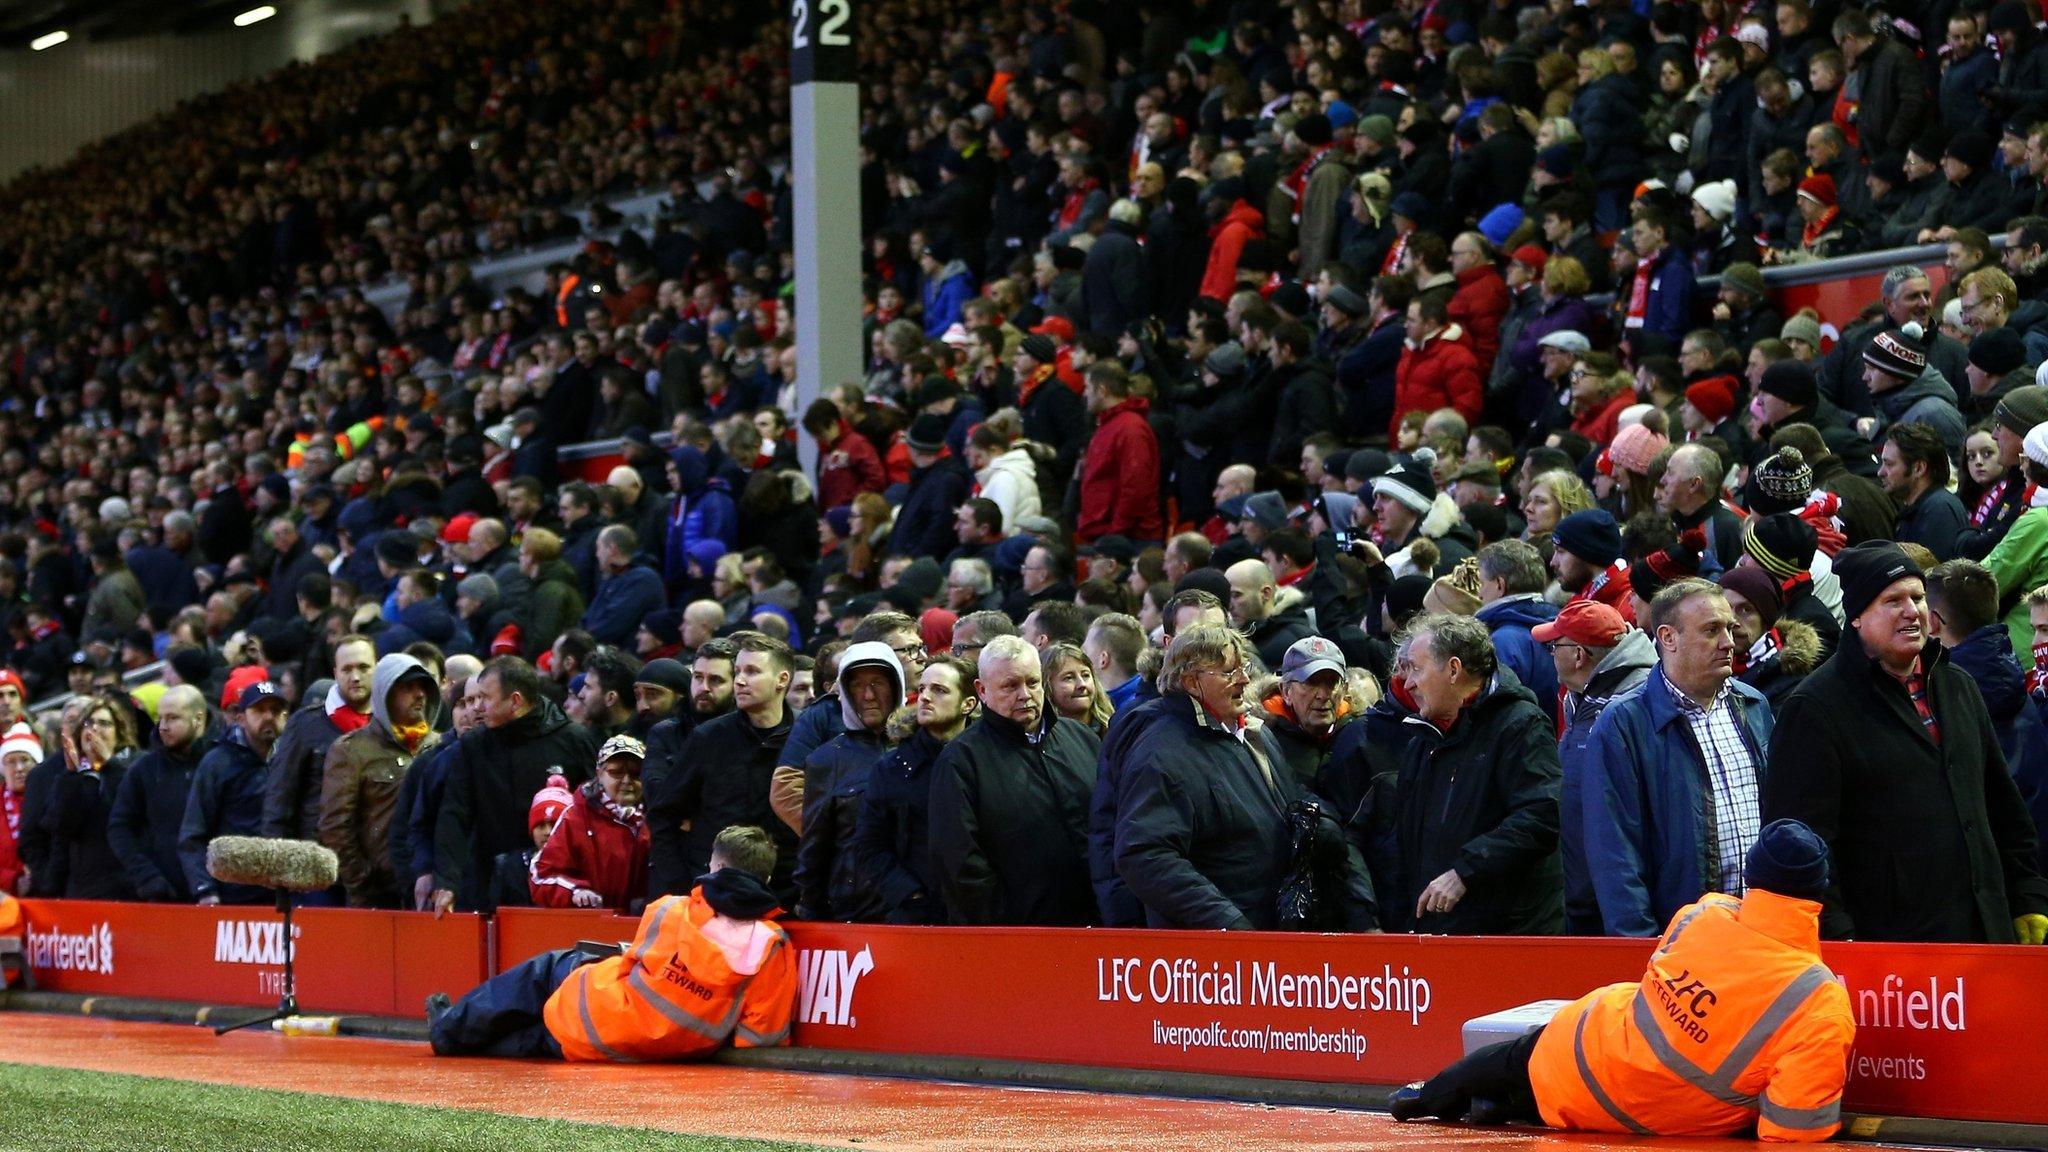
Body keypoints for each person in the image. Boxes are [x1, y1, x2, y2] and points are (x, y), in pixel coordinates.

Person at [1390, 819, 1855, 1144]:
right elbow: (1792, 1133)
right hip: (1651, 1117)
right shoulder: (1820, 1004)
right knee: (1538, 1075)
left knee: (1522, 1056)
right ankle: (1497, 1102)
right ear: (1819, 894)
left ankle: (1424, 1095)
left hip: (1582, 1051)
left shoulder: (1702, 914)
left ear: (1751, 878)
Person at [1764, 542, 2048, 942]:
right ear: (1858, 617)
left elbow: (2003, 806)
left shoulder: (1958, 686)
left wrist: (2028, 895)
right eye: (1892, 601)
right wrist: (1837, 937)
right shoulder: (1815, 708)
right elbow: (1804, 842)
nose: (1911, 610)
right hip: (1892, 958)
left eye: (1916, 597)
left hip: (1986, 937)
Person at [427, 825, 795, 1062]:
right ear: (764, 877)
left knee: (549, 969)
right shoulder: (771, 943)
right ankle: (462, 1035)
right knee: (541, 1037)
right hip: (661, 1051)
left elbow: (635, 964)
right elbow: (760, 1035)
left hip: (600, 1014)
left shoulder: (671, 909)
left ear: (715, 866)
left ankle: (447, 1030)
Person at [1116, 625, 1375, 931]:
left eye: (1243, 667)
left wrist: (1327, 824)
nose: (1244, 679)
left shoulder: (1253, 733)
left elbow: (1292, 796)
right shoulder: (1160, 753)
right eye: (1228, 672)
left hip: (1264, 939)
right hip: (1215, 958)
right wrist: (1230, 925)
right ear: (1191, 682)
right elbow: (1144, 855)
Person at [1584, 579, 1775, 937]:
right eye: (1712, 630)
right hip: (1679, 944)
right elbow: (1615, 854)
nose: (1729, 642)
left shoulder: (1754, 705)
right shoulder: (1623, 723)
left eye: (1730, 629)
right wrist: (1640, 945)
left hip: (1759, 933)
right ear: (1668, 638)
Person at [1385, 613, 1562, 934]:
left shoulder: (1520, 724)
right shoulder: (1423, 739)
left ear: (1453, 669)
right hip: (1439, 930)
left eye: (1416, 668)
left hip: (1507, 934)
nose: (1407, 683)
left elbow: (1541, 815)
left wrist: (1465, 872)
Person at [930, 634, 1099, 925]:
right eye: (1010, 686)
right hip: (1017, 932)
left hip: (1098, 921)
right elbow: (960, 862)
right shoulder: (960, 760)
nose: (1025, 694)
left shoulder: (1082, 739)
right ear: (982, 691)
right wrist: (1003, 924)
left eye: (1032, 683)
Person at [432, 657, 597, 913]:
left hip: (558, 888)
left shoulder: (573, 741)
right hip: (488, 884)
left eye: (486, 698)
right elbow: (454, 814)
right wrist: (447, 881)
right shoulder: (472, 746)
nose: (478, 707)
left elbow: (594, 815)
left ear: (516, 701)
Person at [646, 633, 799, 903]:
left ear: (782, 680)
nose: (740, 681)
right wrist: (681, 885)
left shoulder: (805, 737)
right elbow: (663, 816)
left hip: (786, 895)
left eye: (751, 672)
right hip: (711, 894)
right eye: (738, 671)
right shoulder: (708, 737)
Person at [1539, 601, 1655, 935]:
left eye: (1554, 646)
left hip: (1616, 909)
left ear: (1578, 655)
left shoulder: (1634, 706)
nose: (1549, 653)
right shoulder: (1579, 698)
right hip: (1580, 895)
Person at [850, 655, 977, 925]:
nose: (925, 697)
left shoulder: (988, 760)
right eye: (922, 688)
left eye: (939, 690)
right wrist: (909, 894)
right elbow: (868, 844)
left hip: (982, 912)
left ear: (968, 704)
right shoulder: (891, 768)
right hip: (916, 915)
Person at [793, 642, 905, 921]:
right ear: (843, 692)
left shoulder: (924, 749)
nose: (868, 695)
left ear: (897, 687)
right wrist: (811, 915)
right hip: (854, 913)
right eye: (857, 685)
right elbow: (814, 851)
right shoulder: (826, 760)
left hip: (915, 908)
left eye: (878, 683)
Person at [320, 654, 441, 908]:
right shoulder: (351, 750)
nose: (419, 694)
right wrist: (362, 881)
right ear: (385, 693)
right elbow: (335, 826)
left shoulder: (439, 746)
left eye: (423, 687)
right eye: (407, 687)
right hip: (377, 894)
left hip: (431, 888)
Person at [180, 682, 292, 906]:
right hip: (234, 895)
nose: (269, 716)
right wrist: (205, 888)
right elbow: (193, 834)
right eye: (260, 710)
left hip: (286, 893)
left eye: (276, 711)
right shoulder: (217, 763)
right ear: (241, 718)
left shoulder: (292, 760)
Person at [106, 685, 213, 902]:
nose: (163, 726)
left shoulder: (221, 763)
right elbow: (119, 828)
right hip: (163, 895)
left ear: (198, 719)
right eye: (161, 718)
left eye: (173, 718)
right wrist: (146, 876)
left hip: (220, 894)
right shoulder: (143, 769)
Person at [264, 635, 374, 842]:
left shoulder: (389, 723)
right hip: (316, 857)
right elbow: (279, 800)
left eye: (363, 667)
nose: (356, 677)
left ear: (377, 669)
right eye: (347, 669)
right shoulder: (306, 723)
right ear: (335, 673)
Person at [529, 735, 651, 913]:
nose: (627, 780)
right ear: (599, 773)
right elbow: (540, 876)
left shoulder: (655, 818)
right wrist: (575, 891)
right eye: (617, 772)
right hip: (587, 929)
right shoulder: (575, 817)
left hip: (640, 930)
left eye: (635, 773)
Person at [1258, 636, 1358, 791]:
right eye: (1311, 682)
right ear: (1286, 691)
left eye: (1332, 682)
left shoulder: (1359, 736)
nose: (1323, 695)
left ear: (1344, 690)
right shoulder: (1261, 744)